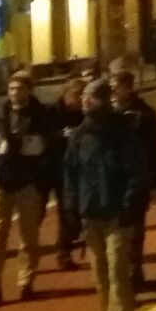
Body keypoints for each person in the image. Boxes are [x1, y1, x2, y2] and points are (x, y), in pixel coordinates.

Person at [63, 77, 148, 311]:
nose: (84, 101)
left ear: (102, 100)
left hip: (117, 215)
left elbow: (136, 173)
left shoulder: (123, 132)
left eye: (91, 97)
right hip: (91, 214)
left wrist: (128, 206)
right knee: (99, 274)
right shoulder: (79, 136)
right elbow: (70, 175)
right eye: (84, 97)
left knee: (117, 270)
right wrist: (71, 209)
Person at [0, 71, 58, 307]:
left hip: (28, 183)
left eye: (20, 89)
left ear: (29, 91)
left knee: (28, 235)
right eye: (11, 89)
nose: (15, 93)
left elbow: (52, 150)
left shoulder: (42, 117)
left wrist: (42, 179)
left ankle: (26, 281)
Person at [113, 69, 156, 287]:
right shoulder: (108, 114)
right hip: (113, 181)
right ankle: (120, 273)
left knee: (134, 229)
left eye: (117, 86)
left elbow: (155, 150)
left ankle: (134, 272)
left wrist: (155, 183)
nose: (114, 90)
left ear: (128, 88)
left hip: (137, 180)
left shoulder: (145, 115)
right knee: (115, 230)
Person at [50, 78, 87, 269]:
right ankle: (62, 250)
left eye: (83, 95)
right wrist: (60, 135)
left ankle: (64, 248)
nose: (80, 99)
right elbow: (44, 136)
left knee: (75, 211)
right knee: (67, 211)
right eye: (77, 95)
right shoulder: (53, 113)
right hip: (58, 168)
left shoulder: (84, 113)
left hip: (80, 168)